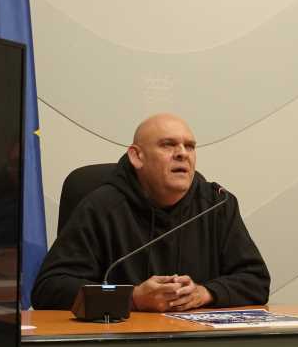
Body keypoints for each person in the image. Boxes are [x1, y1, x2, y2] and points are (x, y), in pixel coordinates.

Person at [32, 113, 270, 311]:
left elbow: (256, 280)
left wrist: (205, 293)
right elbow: (49, 288)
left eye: (190, 146)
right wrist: (132, 298)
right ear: (136, 156)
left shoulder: (217, 205)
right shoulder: (102, 206)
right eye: (168, 144)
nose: (182, 153)